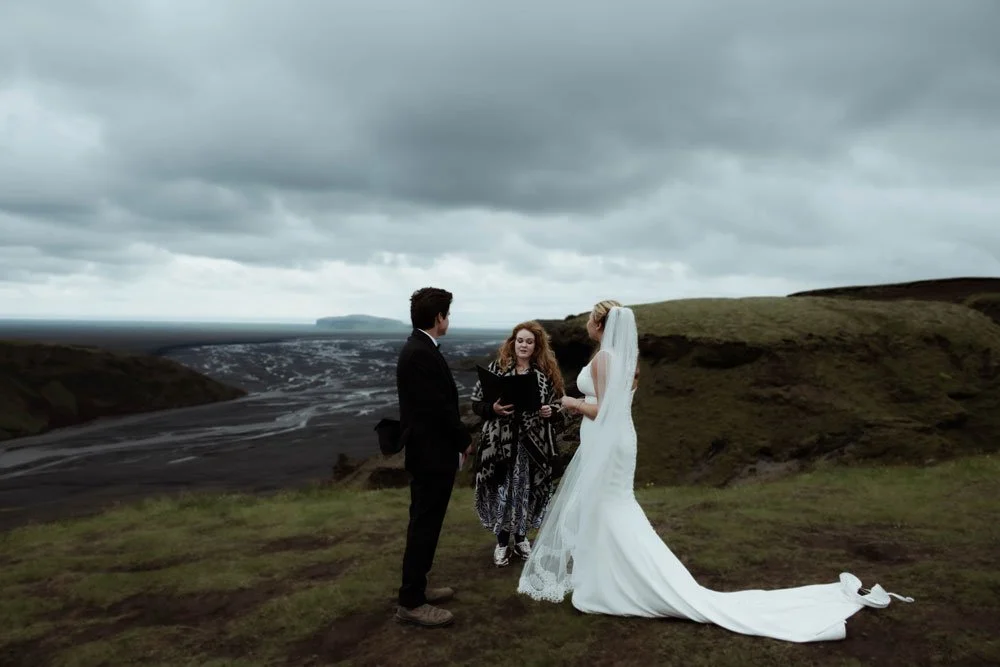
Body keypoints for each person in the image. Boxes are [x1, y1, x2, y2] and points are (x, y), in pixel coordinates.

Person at [516, 300, 913, 643]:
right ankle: (607, 581)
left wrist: (569, 401)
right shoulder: (626, 359)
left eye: (590, 318)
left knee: (607, 508)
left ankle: (619, 585)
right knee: (611, 508)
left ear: (600, 325)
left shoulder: (605, 358)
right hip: (620, 440)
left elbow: (600, 409)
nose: (586, 323)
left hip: (607, 438)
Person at [394, 287, 474, 628]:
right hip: (431, 455)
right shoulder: (419, 353)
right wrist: (463, 440)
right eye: (447, 314)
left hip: (431, 452)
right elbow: (438, 409)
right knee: (424, 526)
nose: (449, 320)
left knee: (426, 524)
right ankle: (411, 602)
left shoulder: (421, 348)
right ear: (439, 318)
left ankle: (419, 589)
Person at [470, 320, 567, 567]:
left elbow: (559, 407)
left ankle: (522, 538)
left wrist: (550, 411)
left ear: (537, 346)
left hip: (532, 447)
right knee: (503, 492)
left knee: (526, 491)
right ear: (513, 343)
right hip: (499, 445)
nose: (524, 345)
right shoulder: (496, 369)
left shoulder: (545, 376)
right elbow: (476, 403)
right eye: (520, 340)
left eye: (529, 341)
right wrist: (492, 408)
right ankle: (502, 543)